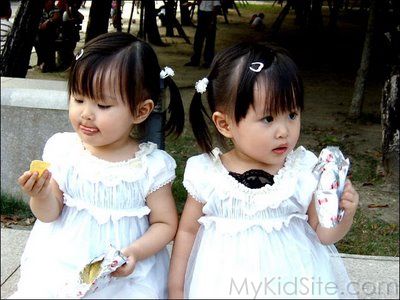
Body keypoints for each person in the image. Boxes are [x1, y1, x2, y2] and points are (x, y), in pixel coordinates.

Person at [168, 42, 359, 298]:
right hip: (222, 286)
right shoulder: (207, 175)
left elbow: (323, 234)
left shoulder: (301, 171)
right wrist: (177, 289)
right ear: (225, 124)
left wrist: (343, 214)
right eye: (268, 119)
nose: (284, 131)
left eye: (292, 114)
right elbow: (188, 231)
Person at [13, 32, 185, 299]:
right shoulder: (64, 151)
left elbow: (165, 223)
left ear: (140, 111)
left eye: (103, 105)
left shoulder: (149, 166)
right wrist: (41, 195)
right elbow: (49, 214)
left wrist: (136, 251)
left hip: (125, 276)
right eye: (79, 99)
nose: (86, 113)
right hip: (63, 267)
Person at [184, 0, 221, 68]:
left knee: (209, 40)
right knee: (198, 39)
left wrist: (212, 22)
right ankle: (195, 60)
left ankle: (208, 61)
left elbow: (216, 7)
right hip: (202, 13)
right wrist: (192, 4)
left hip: (209, 14)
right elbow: (200, 2)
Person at [34, 0, 61, 72]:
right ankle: (43, 62)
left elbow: (56, 17)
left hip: (52, 33)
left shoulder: (55, 8)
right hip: (42, 33)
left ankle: (46, 63)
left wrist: (48, 21)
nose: (51, 2)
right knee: (39, 40)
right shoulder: (41, 9)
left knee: (47, 39)